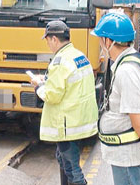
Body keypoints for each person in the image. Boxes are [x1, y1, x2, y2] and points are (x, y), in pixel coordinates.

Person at [91, 12, 140, 185]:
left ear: (109, 42)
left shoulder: (127, 71)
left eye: (101, 40)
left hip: (126, 155)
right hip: (128, 152)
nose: (101, 45)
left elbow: (139, 120)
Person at [30, 21, 98, 185]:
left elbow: (53, 95)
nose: (47, 45)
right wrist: (47, 80)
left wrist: (38, 87)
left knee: (72, 169)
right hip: (80, 119)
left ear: (54, 39)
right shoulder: (79, 56)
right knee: (63, 159)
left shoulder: (60, 62)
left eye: (47, 40)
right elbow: (70, 85)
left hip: (68, 125)